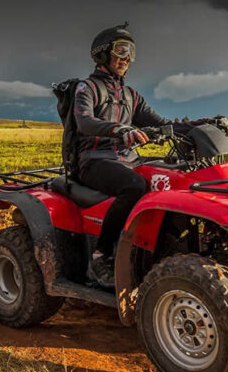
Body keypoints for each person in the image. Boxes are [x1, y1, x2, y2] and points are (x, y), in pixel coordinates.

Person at [74, 22, 209, 287]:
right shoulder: (87, 88)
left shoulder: (130, 95)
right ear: (102, 54)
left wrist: (203, 124)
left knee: (172, 176)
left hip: (126, 159)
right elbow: (84, 122)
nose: (127, 58)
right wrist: (119, 129)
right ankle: (101, 255)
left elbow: (162, 124)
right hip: (94, 160)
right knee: (134, 185)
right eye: (121, 50)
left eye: (131, 53)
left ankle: (160, 250)